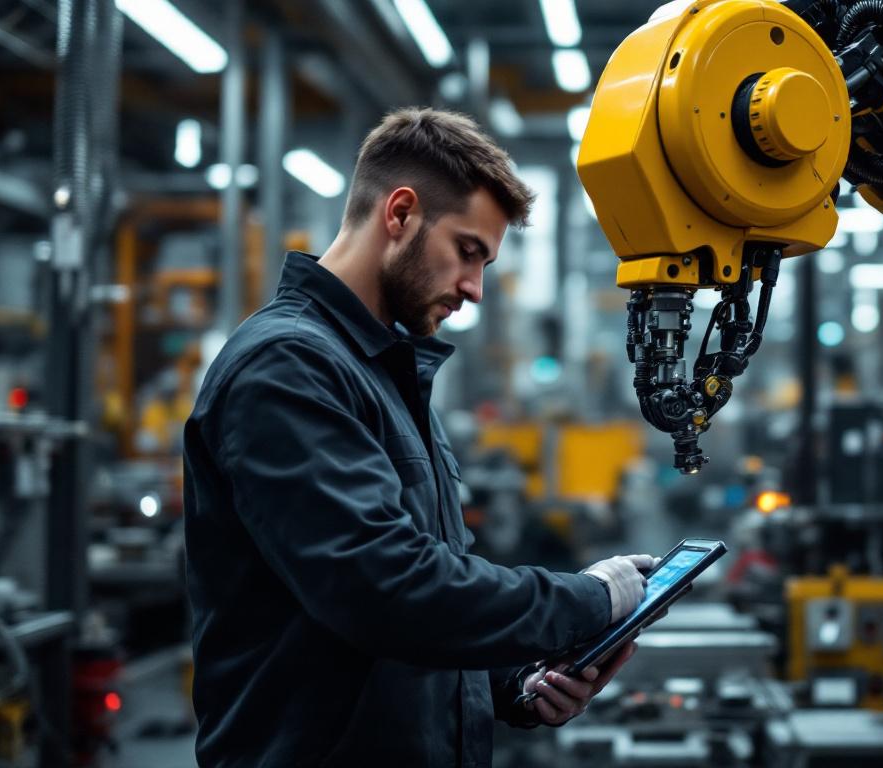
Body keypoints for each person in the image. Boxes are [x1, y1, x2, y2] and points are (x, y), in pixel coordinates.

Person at [183, 107, 652, 767]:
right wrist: (590, 600)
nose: (476, 288)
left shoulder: (386, 376)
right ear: (399, 214)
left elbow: (422, 612)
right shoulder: (287, 367)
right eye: (468, 252)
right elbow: (386, 588)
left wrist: (515, 685)